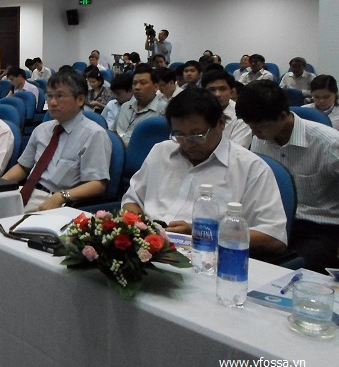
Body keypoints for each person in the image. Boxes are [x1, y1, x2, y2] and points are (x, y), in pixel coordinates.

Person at [121, 88, 287, 257]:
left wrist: (204, 233)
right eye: (179, 135)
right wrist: (141, 229)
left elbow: (274, 237)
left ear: (221, 124)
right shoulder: (161, 151)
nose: (188, 143)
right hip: (147, 251)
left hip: (208, 256)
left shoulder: (251, 168)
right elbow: (132, 200)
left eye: (197, 135)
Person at [237, 81, 339, 271]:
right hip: (274, 223)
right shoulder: (261, 139)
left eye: (259, 126)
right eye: (250, 125)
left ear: (283, 116)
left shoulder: (329, 143)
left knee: (286, 272)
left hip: (319, 228)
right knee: (234, 258)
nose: (254, 132)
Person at [3, 69, 111, 212]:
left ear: (80, 99)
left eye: (60, 96)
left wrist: (62, 196)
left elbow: (97, 185)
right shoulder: (41, 129)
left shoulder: (94, 134)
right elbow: (23, 167)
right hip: (25, 192)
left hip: (56, 201)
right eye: (49, 96)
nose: (52, 102)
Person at [114, 64, 167, 144]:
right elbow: (113, 132)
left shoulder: (164, 110)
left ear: (156, 87)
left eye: (143, 83)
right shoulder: (125, 106)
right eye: (134, 83)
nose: (137, 87)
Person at [200, 68, 252, 148]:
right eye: (212, 90)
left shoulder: (242, 116)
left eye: (223, 89)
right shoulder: (196, 111)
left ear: (231, 92)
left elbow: (237, 151)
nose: (217, 94)